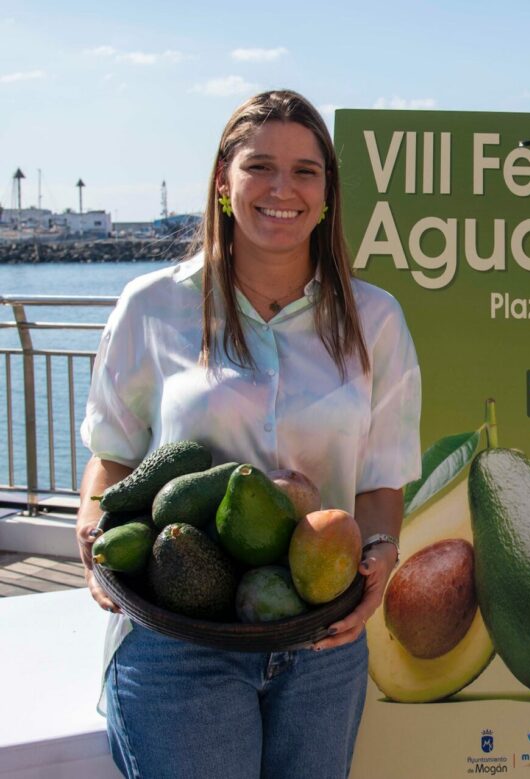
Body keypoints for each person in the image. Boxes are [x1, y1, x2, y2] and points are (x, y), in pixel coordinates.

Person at [75, 89, 421, 779]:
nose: (281, 189)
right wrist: (90, 528)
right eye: (260, 166)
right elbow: (112, 457)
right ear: (223, 183)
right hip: (179, 639)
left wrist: (381, 555)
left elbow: (380, 482)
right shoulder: (153, 305)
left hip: (320, 638)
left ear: (327, 194)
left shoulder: (374, 320)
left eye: (305, 171)